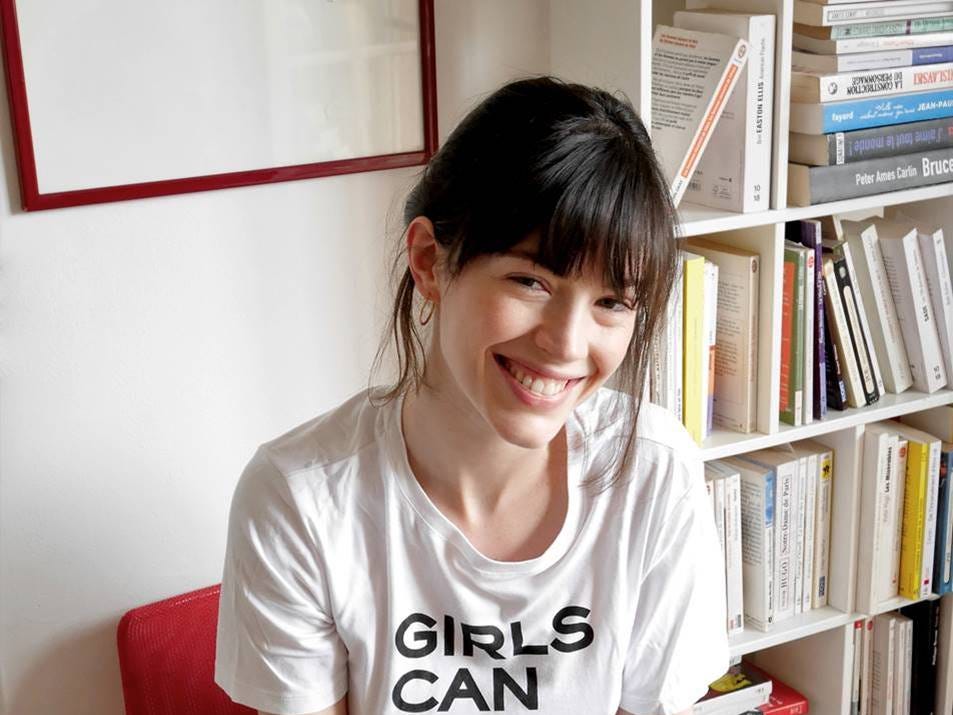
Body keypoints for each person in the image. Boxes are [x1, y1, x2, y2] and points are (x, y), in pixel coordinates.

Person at [213, 76, 730, 715]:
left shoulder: (653, 472)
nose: (568, 345)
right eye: (530, 281)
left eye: (610, 303)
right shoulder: (301, 498)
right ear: (430, 261)